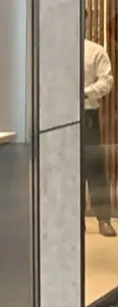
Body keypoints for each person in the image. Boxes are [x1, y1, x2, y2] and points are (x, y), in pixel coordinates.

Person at [84, 17, 116, 237]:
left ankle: (104, 219)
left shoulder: (95, 50)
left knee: (94, 167)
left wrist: (85, 92)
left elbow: (107, 81)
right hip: (57, 117)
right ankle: (73, 220)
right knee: (64, 169)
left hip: (87, 114)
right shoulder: (55, 52)